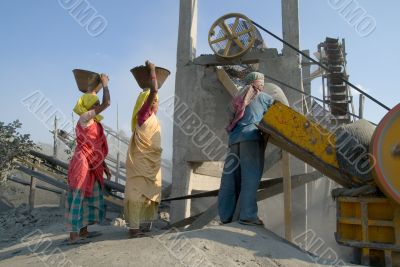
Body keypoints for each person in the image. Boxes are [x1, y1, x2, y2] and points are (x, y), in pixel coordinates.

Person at [218, 72, 274, 226]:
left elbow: (230, 114)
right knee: (250, 178)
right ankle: (248, 215)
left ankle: (226, 216)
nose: (263, 86)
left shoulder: (239, 97)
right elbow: (279, 110)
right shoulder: (262, 97)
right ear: (258, 83)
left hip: (234, 141)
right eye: (262, 83)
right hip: (251, 139)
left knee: (230, 179)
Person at [65, 73, 111, 244]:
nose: (99, 106)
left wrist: (104, 165)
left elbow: (96, 146)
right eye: (95, 104)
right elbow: (107, 103)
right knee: (78, 195)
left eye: (98, 104)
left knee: (90, 196)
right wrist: (105, 85)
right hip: (83, 162)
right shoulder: (84, 118)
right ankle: (72, 236)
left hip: (94, 162)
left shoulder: (96, 123)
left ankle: (83, 231)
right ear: (89, 107)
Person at [124, 61, 162, 238]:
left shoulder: (153, 118)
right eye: (154, 101)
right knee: (137, 193)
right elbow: (153, 90)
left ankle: (143, 226)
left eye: (156, 102)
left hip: (151, 161)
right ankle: (133, 229)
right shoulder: (144, 114)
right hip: (140, 162)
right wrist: (153, 71)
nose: (156, 103)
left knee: (149, 193)